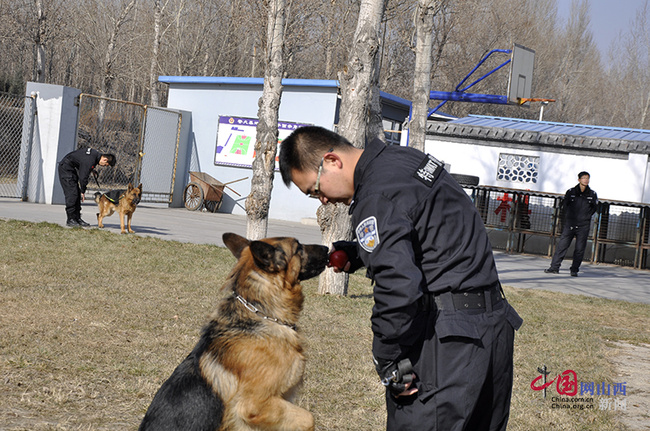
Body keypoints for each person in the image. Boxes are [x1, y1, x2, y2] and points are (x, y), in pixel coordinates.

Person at [279, 126, 523, 431]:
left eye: (315, 190)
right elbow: (429, 234)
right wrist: (360, 253)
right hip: (491, 329)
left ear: (332, 161)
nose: (323, 201)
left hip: (449, 346)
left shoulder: (375, 196)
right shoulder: (404, 160)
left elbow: (398, 289)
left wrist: (388, 359)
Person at [545, 171, 598, 277]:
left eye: (587, 178)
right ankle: (554, 267)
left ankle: (574, 270)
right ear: (579, 180)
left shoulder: (592, 194)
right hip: (570, 224)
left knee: (579, 249)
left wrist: (585, 217)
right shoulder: (571, 192)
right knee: (562, 246)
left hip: (583, 225)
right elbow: (565, 205)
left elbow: (594, 208)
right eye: (583, 178)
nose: (586, 180)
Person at [58, 147, 116, 227]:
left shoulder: (94, 155)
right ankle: (70, 219)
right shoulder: (91, 159)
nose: (104, 166)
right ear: (105, 159)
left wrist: (91, 170)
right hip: (65, 169)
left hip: (71, 169)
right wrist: (83, 191)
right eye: (105, 165)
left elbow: (81, 161)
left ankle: (77, 218)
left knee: (76, 194)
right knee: (72, 194)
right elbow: (83, 177)